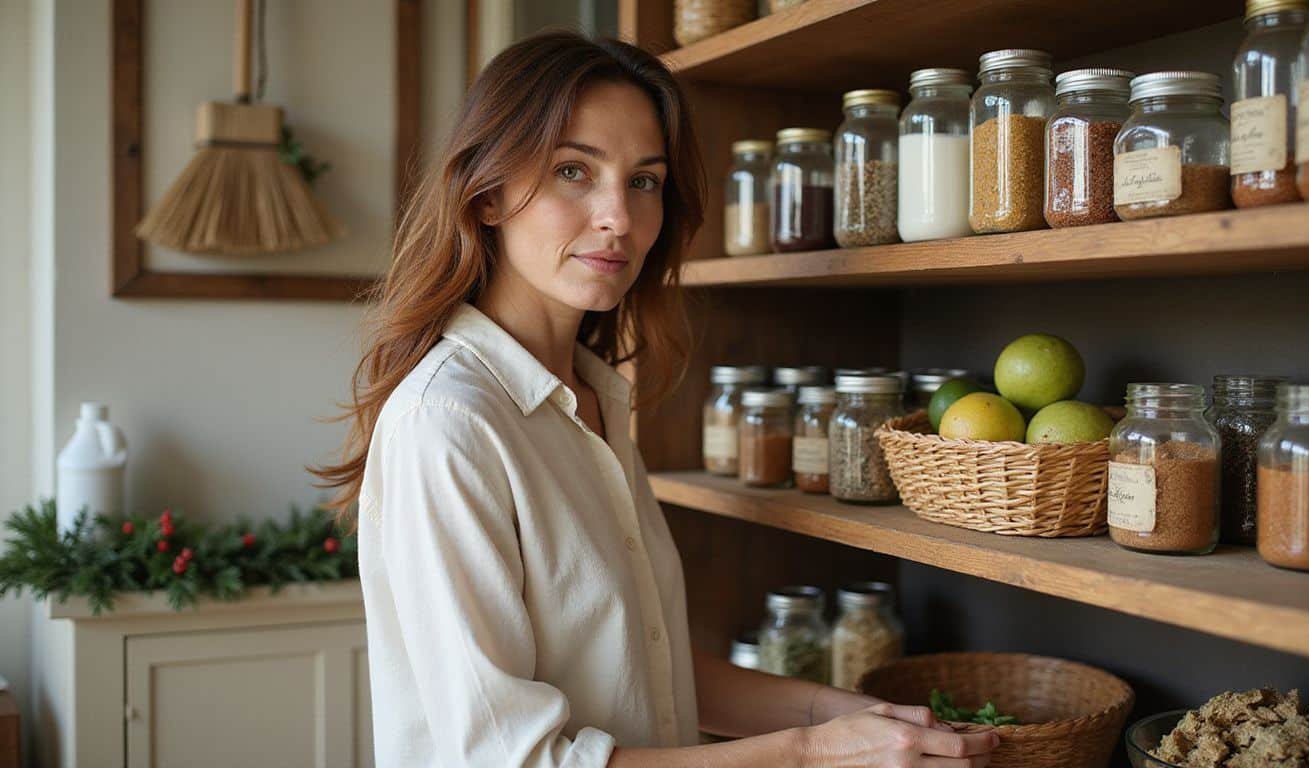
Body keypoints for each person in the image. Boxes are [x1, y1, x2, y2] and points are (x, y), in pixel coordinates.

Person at [312, 31, 999, 768]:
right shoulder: (450, 423)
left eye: (644, 181)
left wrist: (851, 714)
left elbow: (649, 668)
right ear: (487, 195)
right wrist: (810, 752)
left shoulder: (590, 398)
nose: (619, 217)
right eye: (573, 170)